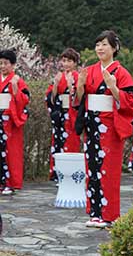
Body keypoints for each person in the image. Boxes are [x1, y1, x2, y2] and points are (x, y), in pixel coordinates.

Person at [75, 30, 133, 227]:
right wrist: (80, 86)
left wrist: (113, 87)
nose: (100, 48)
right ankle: (94, 212)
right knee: (92, 168)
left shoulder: (121, 73)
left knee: (108, 169)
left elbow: (130, 103)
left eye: (104, 44)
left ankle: (108, 214)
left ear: (114, 48)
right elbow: (80, 99)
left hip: (110, 126)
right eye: (98, 44)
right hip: (92, 125)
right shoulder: (90, 70)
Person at [45, 47, 81, 182]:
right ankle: (57, 173)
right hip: (60, 114)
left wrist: (72, 87)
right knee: (58, 142)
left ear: (75, 63)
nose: (66, 64)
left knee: (71, 142)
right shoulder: (58, 76)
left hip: (71, 114)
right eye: (64, 60)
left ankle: (70, 173)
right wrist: (55, 85)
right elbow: (51, 98)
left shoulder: (78, 76)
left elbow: (79, 97)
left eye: (69, 61)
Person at [0, 50, 29, 195]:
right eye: (1, 63)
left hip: (10, 120)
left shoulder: (17, 80)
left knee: (11, 152)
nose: (2, 66)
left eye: (6, 63)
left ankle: (10, 183)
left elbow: (25, 100)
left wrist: (16, 88)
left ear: (13, 65)